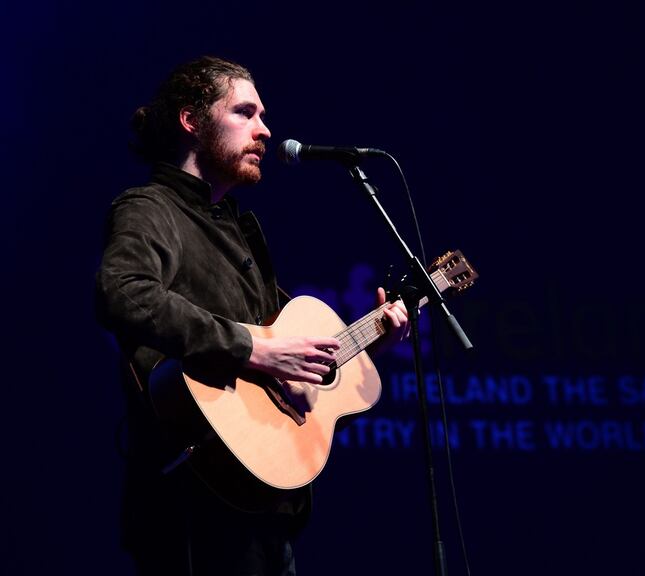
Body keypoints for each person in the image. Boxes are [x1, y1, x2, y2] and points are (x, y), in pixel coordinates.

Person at [95, 56, 409, 575]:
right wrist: (253, 349)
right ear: (191, 121)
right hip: (193, 503)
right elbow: (121, 292)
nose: (264, 130)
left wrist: (373, 343)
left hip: (262, 506)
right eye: (245, 112)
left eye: (263, 115)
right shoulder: (150, 208)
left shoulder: (239, 233)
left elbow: (291, 361)